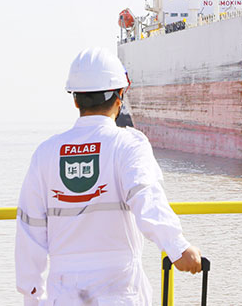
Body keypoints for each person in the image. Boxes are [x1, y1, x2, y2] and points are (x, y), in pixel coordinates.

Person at [16, 48, 201, 305]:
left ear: (76, 100)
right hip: (120, 290)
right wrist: (177, 247)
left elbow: (29, 226)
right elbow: (146, 197)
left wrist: (32, 294)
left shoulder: (46, 152)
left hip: (64, 292)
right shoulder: (128, 145)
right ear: (119, 97)